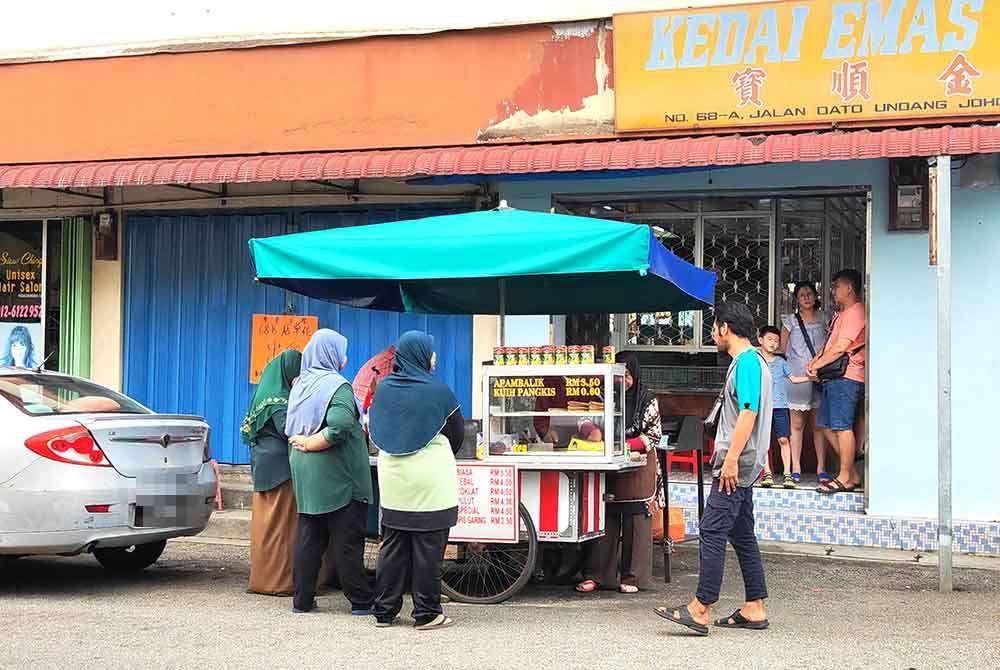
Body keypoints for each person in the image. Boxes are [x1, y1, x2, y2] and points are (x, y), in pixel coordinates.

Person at [654, 301, 772, 635]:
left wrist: (731, 459)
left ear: (725, 328)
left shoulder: (747, 362)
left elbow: (748, 412)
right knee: (741, 533)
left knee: (711, 529)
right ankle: (754, 606)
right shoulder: (754, 362)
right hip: (747, 463)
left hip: (736, 464)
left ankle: (700, 607)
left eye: (714, 327)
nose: (711, 334)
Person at [369, 331, 464, 631]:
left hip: (395, 479)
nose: (435, 357)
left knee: (394, 545)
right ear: (421, 355)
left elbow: (374, 427)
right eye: (431, 352)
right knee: (428, 550)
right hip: (430, 480)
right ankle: (426, 613)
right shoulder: (439, 391)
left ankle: (384, 611)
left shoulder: (383, 388)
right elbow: (457, 434)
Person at [286, 329, 374, 615]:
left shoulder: (302, 384)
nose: (345, 357)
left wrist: (306, 444)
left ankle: (302, 600)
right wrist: (313, 443)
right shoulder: (337, 386)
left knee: (310, 538)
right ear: (330, 354)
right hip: (337, 476)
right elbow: (339, 426)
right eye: (341, 351)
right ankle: (360, 600)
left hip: (307, 475)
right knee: (347, 540)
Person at [576, 351, 661, 594]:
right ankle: (598, 575)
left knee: (636, 519)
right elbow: (582, 416)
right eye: (619, 375)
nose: (622, 380)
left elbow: (653, 435)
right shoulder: (603, 394)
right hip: (608, 464)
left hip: (639, 465)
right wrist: (591, 428)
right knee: (605, 517)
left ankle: (633, 578)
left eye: (627, 375)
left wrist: (627, 445)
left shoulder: (647, 399)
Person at [240, 348, 302, 596]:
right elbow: (289, 429)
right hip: (280, 470)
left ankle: (264, 578)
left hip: (266, 466)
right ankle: (278, 582)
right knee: (281, 526)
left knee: (267, 525)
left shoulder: (265, 393)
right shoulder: (279, 400)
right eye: (298, 373)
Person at [808, 269, 866, 495]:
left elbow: (842, 347)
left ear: (849, 288)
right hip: (834, 377)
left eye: (836, 286)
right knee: (825, 425)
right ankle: (850, 472)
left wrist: (818, 365)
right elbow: (830, 345)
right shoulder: (842, 314)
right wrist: (815, 362)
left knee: (841, 426)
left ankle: (845, 477)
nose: (833, 291)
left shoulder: (856, 311)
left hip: (847, 376)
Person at [780, 282, 831, 483]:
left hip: (820, 375)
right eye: (802, 295)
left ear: (816, 296)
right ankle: (796, 467)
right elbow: (782, 349)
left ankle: (821, 468)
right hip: (797, 377)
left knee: (819, 424)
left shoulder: (825, 318)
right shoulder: (789, 321)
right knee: (797, 424)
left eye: (809, 293)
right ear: (796, 300)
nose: (807, 297)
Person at [757, 326, 810, 489]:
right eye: (770, 339)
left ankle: (787, 474)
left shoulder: (781, 362)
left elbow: (793, 378)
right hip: (762, 407)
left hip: (780, 406)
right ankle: (767, 474)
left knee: (783, 439)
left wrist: (810, 378)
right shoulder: (756, 361)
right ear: (760, 340)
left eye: (777, 341)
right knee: (763, 441)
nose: (773, 343)